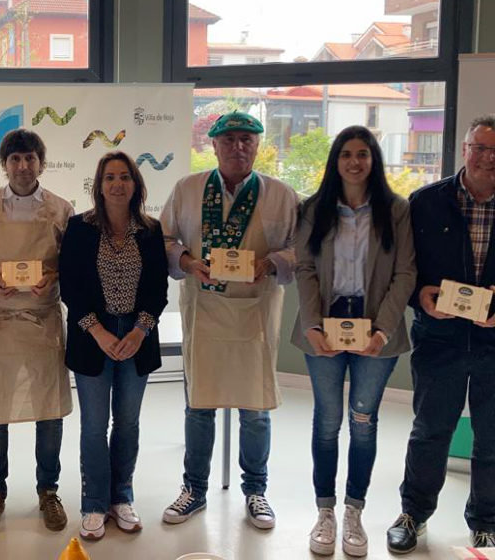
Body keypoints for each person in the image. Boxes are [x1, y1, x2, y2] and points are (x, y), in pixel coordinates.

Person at [387, 114, 495, 552]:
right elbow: (402, 271)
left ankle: (486, 525)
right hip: (440, 340)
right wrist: (419, 296)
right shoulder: (424, 203)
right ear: (464, 150)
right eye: (479, 147)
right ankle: (414, 513)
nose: (487, 157)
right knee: (429, 431)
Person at [159, 111, 298, 529]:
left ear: (258, 145)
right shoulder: (187, 189)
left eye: (247, 139)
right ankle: (194, 490)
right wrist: (185, 260)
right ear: (213, 145)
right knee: (198, 405)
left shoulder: (280, 195)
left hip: (255, 312)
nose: (239, 147)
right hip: (205, 309)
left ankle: (256, 491)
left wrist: (270, 263)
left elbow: (302, 248)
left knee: (255, 410)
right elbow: (164, 238)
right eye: (230, 139)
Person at [291, 126, 416, 557]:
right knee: (327, 422)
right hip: (324, 324)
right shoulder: (314, 208)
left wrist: (382, 329)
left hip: (375, 327)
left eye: (363, 153)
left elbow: (405, 274)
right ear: (335, 160)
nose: (354, 162)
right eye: (346, 153)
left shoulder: (396, 209)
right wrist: (310, 324)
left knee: (363, 422)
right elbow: (305, 269)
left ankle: (354, 511)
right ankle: (324, 511)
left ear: (374, 160)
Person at [0, 129, 74, 535]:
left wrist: (55, 276)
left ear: (41, 163)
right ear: (4, 164)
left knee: (49, 411)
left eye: (30, 158)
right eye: (15, 159)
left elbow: (72, 263)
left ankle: (48, 491)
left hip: (45, 321)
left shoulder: (62, 209)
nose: (23, 166)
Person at [59, 151, 169, 540]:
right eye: (110, 177)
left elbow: (159, 289)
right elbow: (69, 287)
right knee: (93, 425)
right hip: (94, 338)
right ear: (99, 185)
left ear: (136, 184)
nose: (117, 184)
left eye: (125, 177)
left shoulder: (151, 230)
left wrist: (139, 331)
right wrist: (99, 332)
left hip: (137, 337)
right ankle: (93, 503)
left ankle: (121, 497)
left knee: (127, 423)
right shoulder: (79, 228)